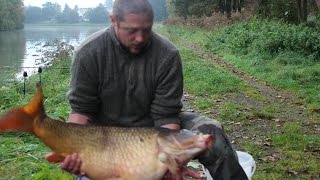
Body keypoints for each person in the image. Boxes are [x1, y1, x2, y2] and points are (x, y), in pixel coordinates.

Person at [62, 0, 248, 179]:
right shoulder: (88, 53)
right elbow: (81, 111)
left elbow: (166, 116)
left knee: (211, 131)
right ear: (114, 21)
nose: (140, 38)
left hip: (153, 129)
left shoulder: (168, 55)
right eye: (131, 30)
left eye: (146, 29)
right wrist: (74, 151)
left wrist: (168, 164)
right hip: (106, 133)